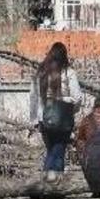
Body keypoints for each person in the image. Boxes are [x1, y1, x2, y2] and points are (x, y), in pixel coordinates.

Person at [29, 42, 82, 182]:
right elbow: (77, 97)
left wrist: (34, 119)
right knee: (58, 148)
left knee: (52, 149)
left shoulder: (40, 73)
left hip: (43, 119)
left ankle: (48, 179)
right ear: (65, 56)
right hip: (63, 118)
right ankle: (52, 180)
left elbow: (33, 97)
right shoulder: (69, 72)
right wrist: (70, 109)